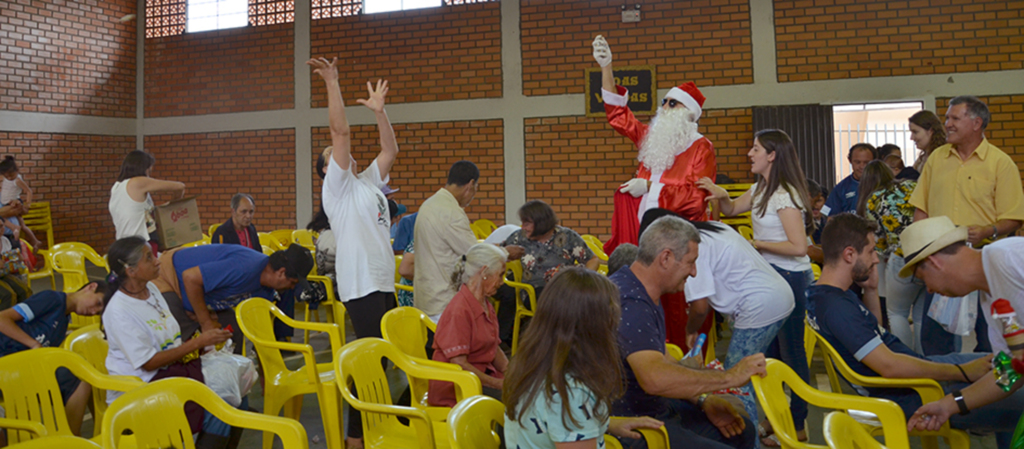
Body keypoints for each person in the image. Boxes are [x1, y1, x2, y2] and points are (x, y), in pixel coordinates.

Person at [807, 214, 1024, 449]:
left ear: (935, 263)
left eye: (923, 279)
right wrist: (953, 400)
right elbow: (1011, 370)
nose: (929, 289)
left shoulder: (1009, 258)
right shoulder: (990, 298)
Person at [697, 129, 814, 444]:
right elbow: (732, 210)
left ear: (772, 155)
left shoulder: (784, 195)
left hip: (791, 276)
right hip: (771, 276)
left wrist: (756, 244)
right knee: (770, 358)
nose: (750, 153)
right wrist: (719, 194)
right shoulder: (761, 188)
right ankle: (774, 419)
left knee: (791, 355)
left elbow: (799, 247)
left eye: (756, 148)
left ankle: (798, 423)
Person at [609, 215, 762, 449]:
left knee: (741, 431)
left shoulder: (640, 289)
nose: (693, 272)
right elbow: (654, 378)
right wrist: (731, 377)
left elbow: (656, 358)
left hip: (652, 409)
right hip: (632, 424)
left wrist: (703, 399)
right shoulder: (632, 302)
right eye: (691, 262)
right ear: (666, 258)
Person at [309, 56, 399, 449]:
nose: (339, 153)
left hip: (381, 278)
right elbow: (339, 131)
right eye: (332, 156)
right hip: (360, 282)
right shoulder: (339, 190)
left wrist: (381, 113)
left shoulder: (368, 184)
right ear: (328, 171)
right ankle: (355, 436)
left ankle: (365, 425)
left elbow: (390, 149)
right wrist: (332, 82)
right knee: (368, 358)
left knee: (379, 358)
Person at [101, 236, 241, 449]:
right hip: (141, 387)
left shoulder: (152, 290)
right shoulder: (119, 311)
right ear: (131, 271)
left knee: (236, 390)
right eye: (149, 258)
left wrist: (203, 343)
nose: (157, 260)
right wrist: (196, 343)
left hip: (169, 373)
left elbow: (170, 339)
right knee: (220, 408)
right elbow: (148, 363)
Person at [910, 96, 1024, 356]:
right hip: (942, 264)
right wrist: (921, 251)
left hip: (982, 266)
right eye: (946, 118)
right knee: (935, 339)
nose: (947, 124)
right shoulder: (937, 159)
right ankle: (948, 386)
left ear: (976, 123)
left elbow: (1014, 218)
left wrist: (988, 230)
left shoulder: (1000, 163)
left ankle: (994, 390)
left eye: (954, 118)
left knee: (992, 339)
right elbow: (921, 208)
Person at [503, 266, 664, 448]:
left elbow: (553, 421)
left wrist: (608, 423)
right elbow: (565, 413)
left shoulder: (534, 363)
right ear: (596, 328)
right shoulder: (572, 392)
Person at [592, 35, 717, 251]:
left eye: (673, 103)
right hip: (643, 229)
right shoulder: (652, 136)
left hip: (679, 236)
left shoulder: (701, 147)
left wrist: (650, 187)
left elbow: (696, 198)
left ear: (689, 113)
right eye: (664, 102)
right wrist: (606, 68)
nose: (665, 107)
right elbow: (618, 115)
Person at [681, 217, 793, 428]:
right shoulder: (714, 228)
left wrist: (690, 330)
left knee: (735, 380)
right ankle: (770, 429)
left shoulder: (692, 246)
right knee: (749, 375)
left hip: (759, 304)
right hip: (775, 295)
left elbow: (700, 306)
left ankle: (748, 441)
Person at [414, 161, 523, 322]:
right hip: (444, 300)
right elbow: (476, 254)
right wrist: (506, 252)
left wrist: (498, 247)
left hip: (428, 296)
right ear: (471, 185)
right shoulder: (451, 212)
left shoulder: (430, 204)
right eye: (476, 188)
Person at [152, 243, 312, 352]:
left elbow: (261, 331)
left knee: (233, 327)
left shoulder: (267, 291)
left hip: (196, 292)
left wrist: (266, 374)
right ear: (281, 272)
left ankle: (232, 386)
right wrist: (205, 321)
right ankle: (196, 386)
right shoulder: (245, 267)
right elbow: (190, 277)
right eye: (292, 283)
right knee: (185, 329)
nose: (291, 288)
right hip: (167, 276)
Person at [0, 283, 104, 436]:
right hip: (6, 362)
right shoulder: (51, 299)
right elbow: (2, 319)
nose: (93, 311)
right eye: (97, 303)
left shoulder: (63, 320)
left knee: (82, 378)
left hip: (24, 370)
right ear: (91, 287)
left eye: (98, 313)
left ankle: (70, 438)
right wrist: (33, 343)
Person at [428, 243, 509, 406]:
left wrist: (510, 373)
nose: (502, 282)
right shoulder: (459, 310)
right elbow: (459, 365)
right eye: (500, 275)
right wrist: (497, 384)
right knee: (517, 402)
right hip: (457, 387)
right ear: (484, 272)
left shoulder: (485, 304)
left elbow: (494, 348)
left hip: (480, 377)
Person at [856, 161, 920, 349]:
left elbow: (879, 245)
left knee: (897, 313)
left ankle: (906, 358)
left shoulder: (874, 200)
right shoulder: (910, 185)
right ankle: (927, 359)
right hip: (928, 254)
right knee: (920, 314)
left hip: (901, 257)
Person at [503, 200, 599, 296]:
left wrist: (583, 281)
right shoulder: (520, 237)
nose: (523, 227)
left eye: (527, 224)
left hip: (565, 289)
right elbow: (495, 252)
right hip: (533, 291)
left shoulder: (568, 236)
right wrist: (505, 252)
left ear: (540, 223)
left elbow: (593, 260)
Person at [108, 150, 186, 252]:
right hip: (141, 244)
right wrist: (174, 206)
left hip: (123, 243)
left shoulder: (116, 187)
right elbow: (180, 186)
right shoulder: (138, 182)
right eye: (149, 170)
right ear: (144, 168)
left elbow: (135, 212)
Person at [822, 143, 876, 218]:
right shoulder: (841, 188)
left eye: (866, 163)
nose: (862, 166)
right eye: (857, 162)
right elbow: (828, 217)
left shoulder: (883, 185)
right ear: (850, 161)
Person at [0, 156, 41, 249]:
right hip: (4, 237)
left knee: (20, 224)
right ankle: (35, 241)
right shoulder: (7, 180)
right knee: (23, 225)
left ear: (16, 171)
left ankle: (14, 227)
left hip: (12, 205)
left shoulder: (17, 180)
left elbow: (28, 192)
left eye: (11, 175)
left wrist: (27, 204)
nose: (9, 178)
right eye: (6, 176)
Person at [908, 110, 946, 174]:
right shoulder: (922, 158)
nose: (911, 138)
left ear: (930, 131)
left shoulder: (942, 156)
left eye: (915, 132)